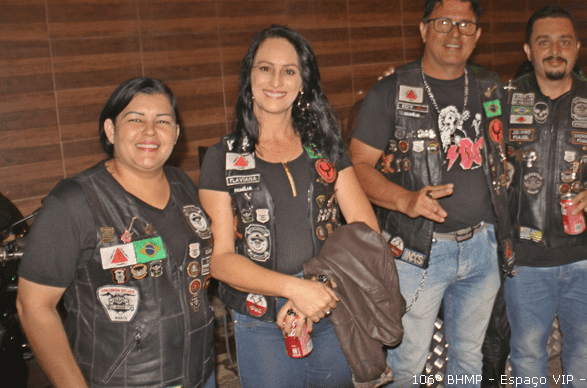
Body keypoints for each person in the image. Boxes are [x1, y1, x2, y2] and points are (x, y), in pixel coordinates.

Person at [349, 0, 515, 388]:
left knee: (469, 358)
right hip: (418, 251)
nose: (454, 33)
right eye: (443, 23)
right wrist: (405, 199)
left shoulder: (489, 86)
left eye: (465, 25)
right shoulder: (391, 91)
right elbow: (356, 167)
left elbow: (502, 149)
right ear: (424, 29)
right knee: (406, 364)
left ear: (477, 34)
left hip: (483, 245)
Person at [198, 25, 380, 388]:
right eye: (265, 68)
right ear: (249, 76)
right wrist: (294, 290)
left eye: (289, 70)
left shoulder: (326, 148)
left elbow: (367, 231)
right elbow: (220, 260)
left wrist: (317, 288)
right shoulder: (222, 157)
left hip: (332, 307)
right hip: (261, 322)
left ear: (302, 83)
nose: (276, 80)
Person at [17, 77, 216, 388]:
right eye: (135, 119)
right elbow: (33, 307)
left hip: (200, 373)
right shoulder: (73, 202)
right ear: (110, 130)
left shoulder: (183, 185)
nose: (150, 131)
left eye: (162, 121)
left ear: (176, 133)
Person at [503, 5, 587, 386]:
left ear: (577, 48)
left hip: (586, 256)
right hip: (524, 258)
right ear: (528, 50)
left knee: (585, 350)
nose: (554, 50)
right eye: (544, 42)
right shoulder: (503, 101)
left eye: (564, 41)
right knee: (527, 352)